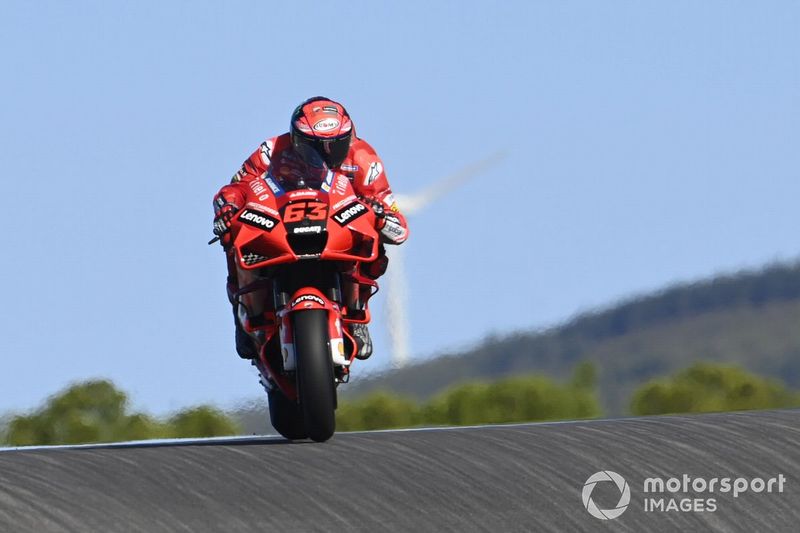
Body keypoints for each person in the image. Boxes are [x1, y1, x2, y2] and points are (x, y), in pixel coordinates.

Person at [212, 96, 409, 360]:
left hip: (337, 229)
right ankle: (244, 310)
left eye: (335, 144)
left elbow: (397, 223)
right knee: (232, 234)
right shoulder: (271, 150)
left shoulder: (365, 159)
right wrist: (228, 207)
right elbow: (236, 186)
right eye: (313, 146)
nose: (325, 153)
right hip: (283, 224)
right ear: (296, 139)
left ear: (349, 137)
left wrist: (381, 217)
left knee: (374, 244)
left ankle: (357, 311)